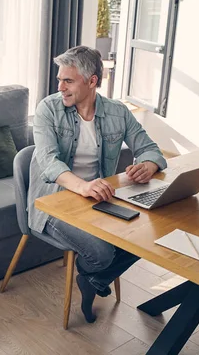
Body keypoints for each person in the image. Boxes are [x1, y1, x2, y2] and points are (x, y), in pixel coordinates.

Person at [28, 46, 167, 323]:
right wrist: (83, 187)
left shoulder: (117, 112)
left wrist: (147, 165)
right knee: (102, 253)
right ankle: (96, 275)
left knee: (146, 237)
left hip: (99, 199)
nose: (60, 87)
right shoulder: (48, 109)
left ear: (92, 81)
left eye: (68, 80)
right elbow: (48, 162)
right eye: (60, 80)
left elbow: (151, 149)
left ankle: (92, 279)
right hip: (53, 201)